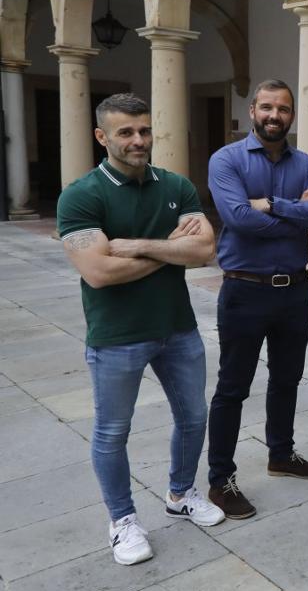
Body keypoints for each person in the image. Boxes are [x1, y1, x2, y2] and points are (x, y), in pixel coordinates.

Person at [56, 93, 223, 565]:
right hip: (117, 335)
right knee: (112, 431)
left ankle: (181, 493)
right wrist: (167, 249)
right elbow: (100, 273)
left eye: (144, 130)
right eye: (126, 132)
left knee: (193, 417)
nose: (138, 140)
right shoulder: (82, 195)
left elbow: (204, 252)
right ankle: (123, 520)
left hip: (178, 327)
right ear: (101, 136)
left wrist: (133, 247)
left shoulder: (175, 185)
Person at [206, 79, 308, 520]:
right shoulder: (226, 160)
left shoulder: (305, 163)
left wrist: (272, 204)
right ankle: (220, 480)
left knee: (287, 379)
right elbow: (238, 219)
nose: (274, 116)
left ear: (292, 115)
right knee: (232, 388)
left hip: (294, 292)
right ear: (252, 112)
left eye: (283, 108)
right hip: (244, 290)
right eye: (266, 107)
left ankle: (281, 455)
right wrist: (293, 210)